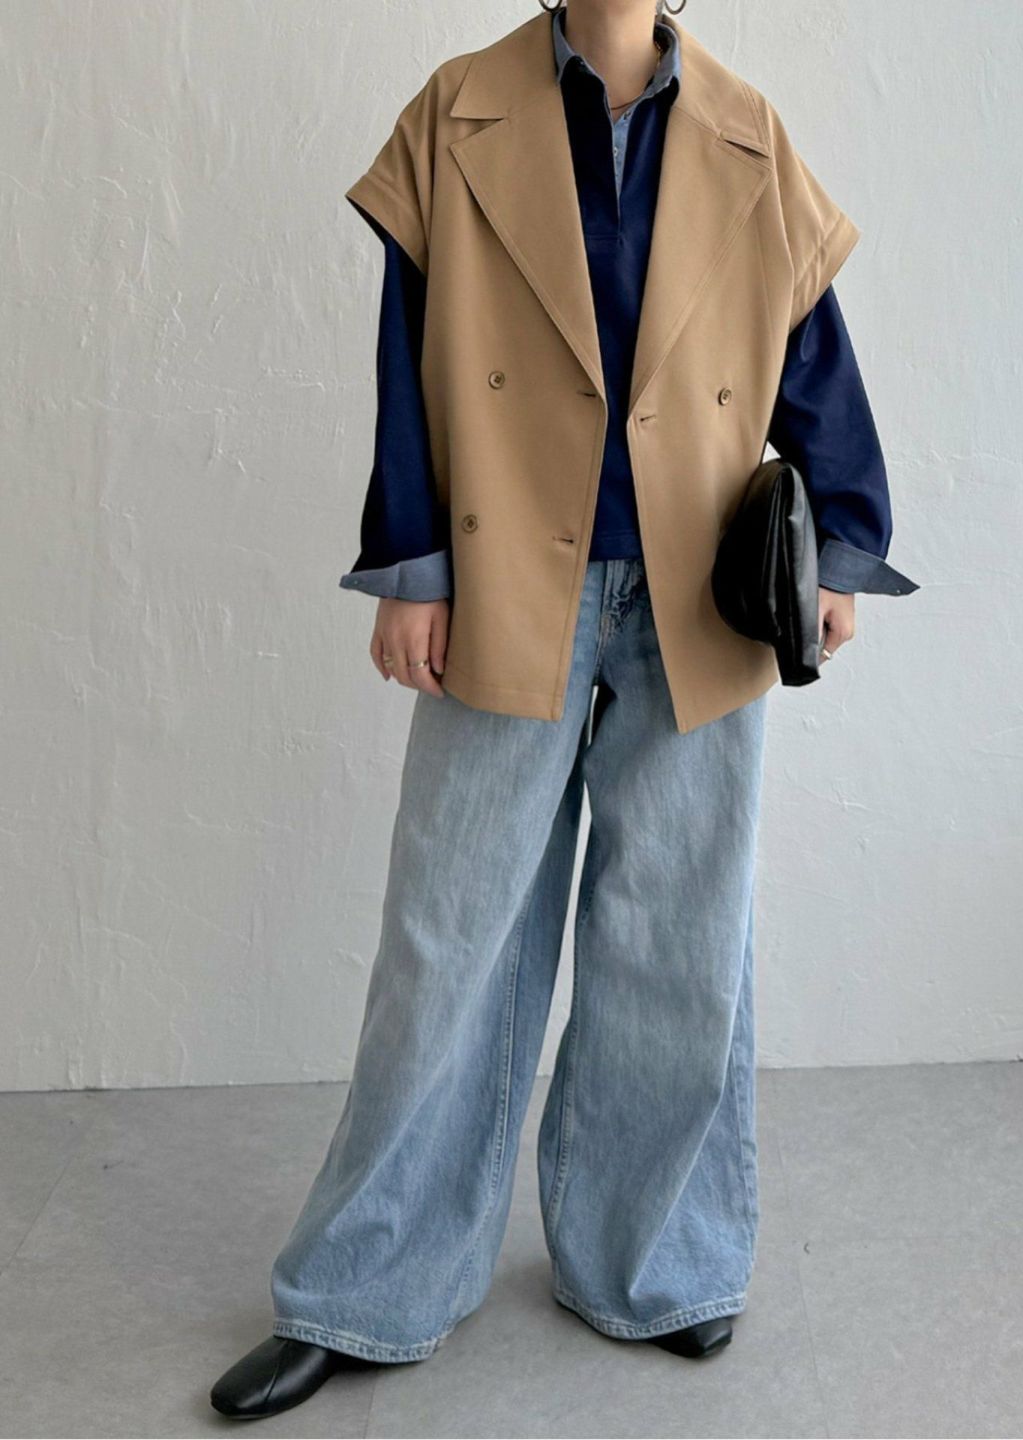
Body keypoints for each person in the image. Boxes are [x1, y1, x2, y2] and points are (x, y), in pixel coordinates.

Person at [210, 0, 917, 1420]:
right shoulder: (458, 107)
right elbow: (407, 354)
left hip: (701, 587)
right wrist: (411, 565)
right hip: (504, 571)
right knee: (448, 935)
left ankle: (657, 1263)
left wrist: (843, 541)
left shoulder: (746, 130)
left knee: (680, 936)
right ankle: (368, 1285)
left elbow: (811, 350)